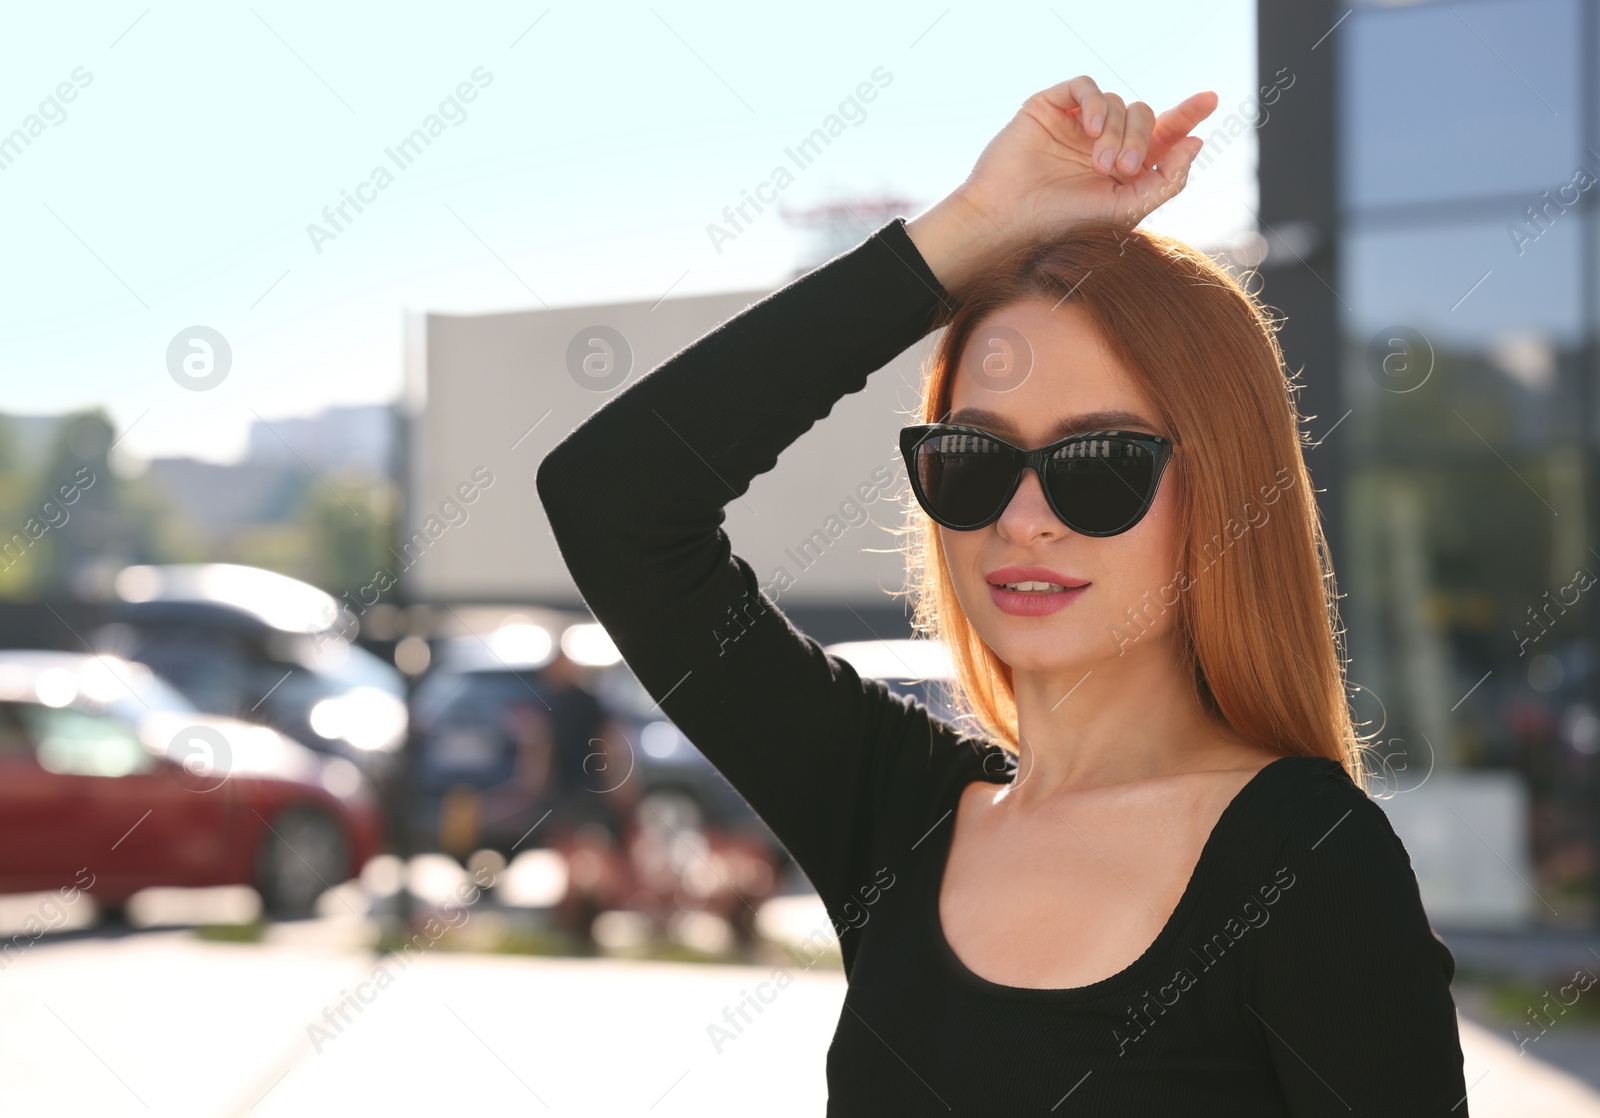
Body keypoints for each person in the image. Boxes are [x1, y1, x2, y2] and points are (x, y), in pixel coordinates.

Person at [537, 76, 1467, 1114]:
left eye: (1101, 461)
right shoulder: (899, 816)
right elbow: (611, 499)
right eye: (974, 458)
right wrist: (971, 230)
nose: (1022, 516)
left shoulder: (1309, 862)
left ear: (1222, 493)